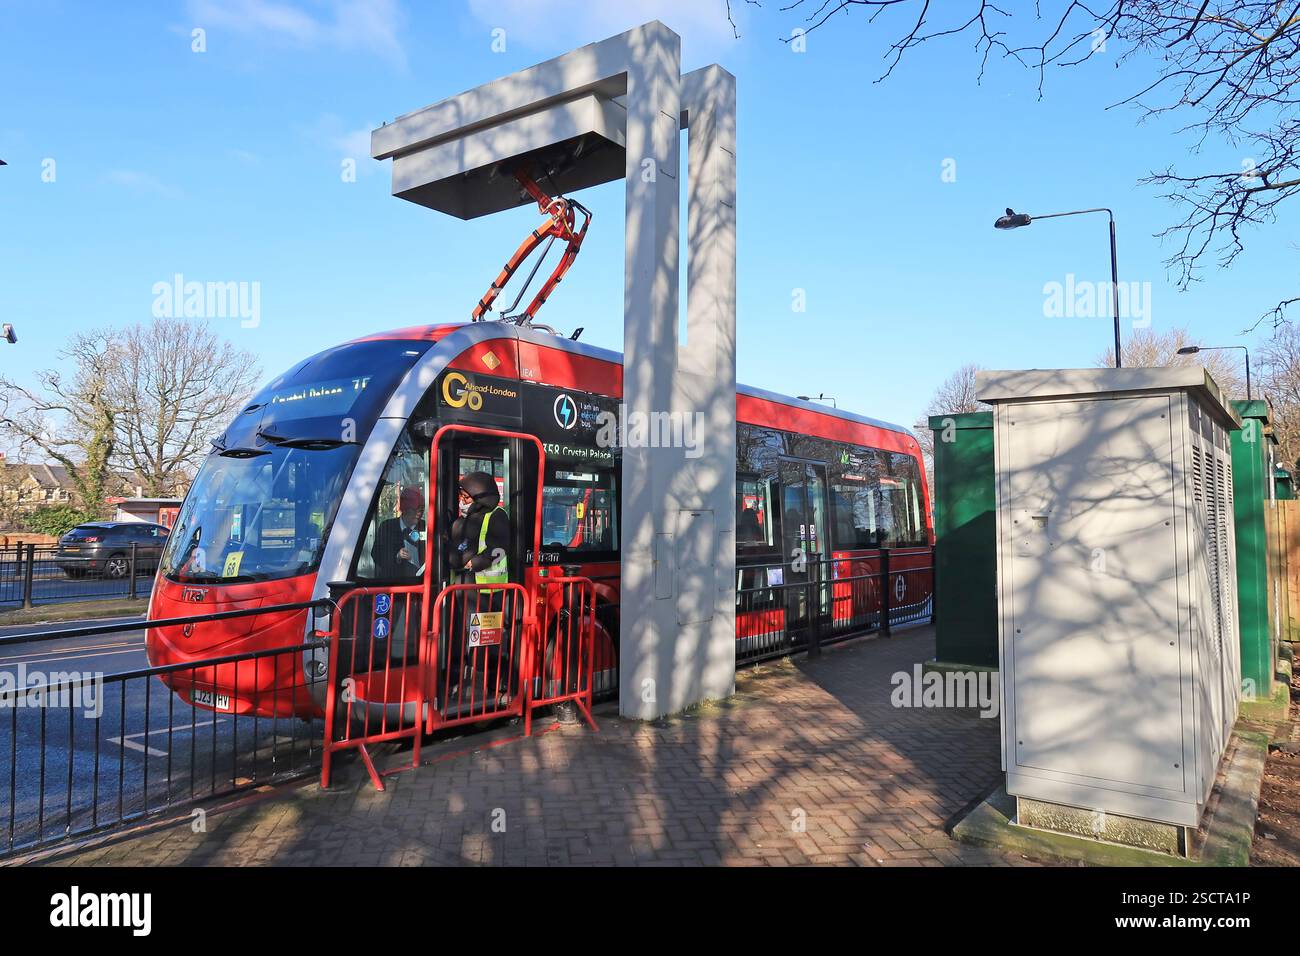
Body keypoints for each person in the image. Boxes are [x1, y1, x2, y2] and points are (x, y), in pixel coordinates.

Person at [449, 472, 510, 585]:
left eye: (466, 497)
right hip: (461, 584)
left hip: (486, 590)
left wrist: (474, 563)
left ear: (480, 499)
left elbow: (500, 549)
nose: (462, 501)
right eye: (460, 496)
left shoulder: (497, 515)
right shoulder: (461, 520)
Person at [372, 485, 426, 580]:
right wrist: (397, 556)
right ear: (404, 510)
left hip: (420, 581)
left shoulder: (425, 527)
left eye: (421, 510)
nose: (418, 514)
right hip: (392, 582)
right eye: (414, 510)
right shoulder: (387, 527)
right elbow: (376, 554)